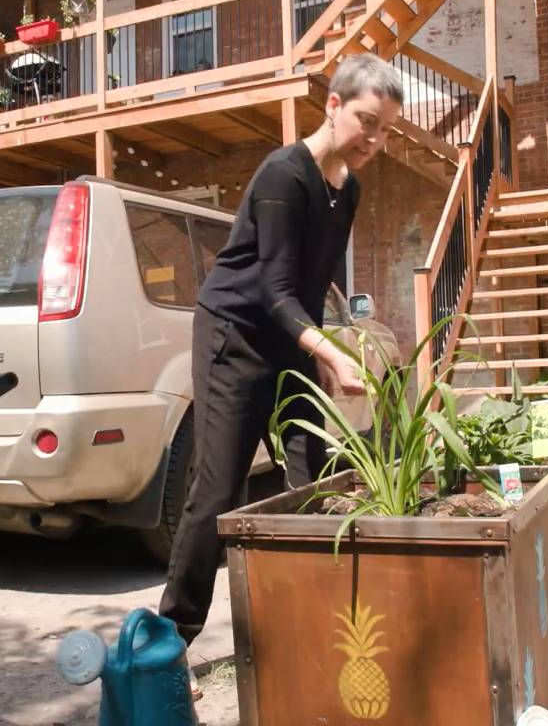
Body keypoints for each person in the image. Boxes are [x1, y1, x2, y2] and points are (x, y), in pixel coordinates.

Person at [158, 54, 405, 692]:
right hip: (235, 334)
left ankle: (315, 623)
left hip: (289, 336)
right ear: (332, 104)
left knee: (314, 477)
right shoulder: (281, 175)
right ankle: (168, 643)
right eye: (366, 123)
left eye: (384, 131)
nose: (373, 142)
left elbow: (314, 273)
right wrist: (325, 349)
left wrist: (336, 336)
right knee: (218, 491)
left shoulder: (347, 186)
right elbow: (270, 288)